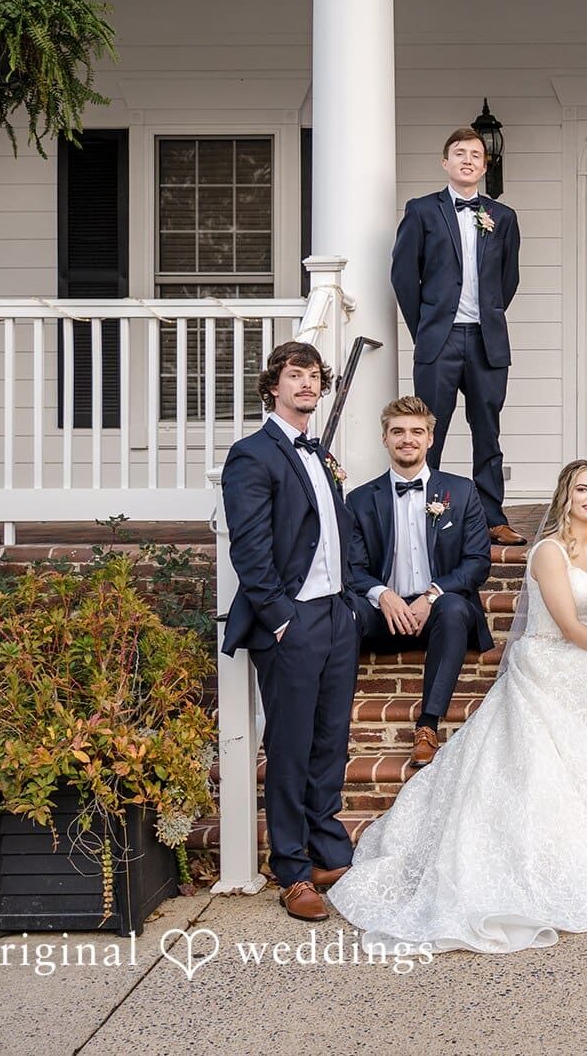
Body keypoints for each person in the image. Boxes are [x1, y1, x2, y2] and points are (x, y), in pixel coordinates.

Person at [328, 461, 587, 954]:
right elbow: (571, 628)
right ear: (565, 498)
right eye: (581, 489)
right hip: (553, 656)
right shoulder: (549, 552)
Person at [220, 341, 367, 923]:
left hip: (336, 615)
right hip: (292, 621)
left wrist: (349, 602)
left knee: (331, 739)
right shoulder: (252, 455)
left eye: (314, 376)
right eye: (295, 374)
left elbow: (336, 533)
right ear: (273, 386)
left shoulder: (321, 453)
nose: (307, 384)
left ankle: (328, 852)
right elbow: (249, 548)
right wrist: (280, 617)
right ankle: (291, 869)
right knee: (289, 746)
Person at [391, 125, 526, 546]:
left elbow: (508, 280)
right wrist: (427, 328)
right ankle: (421, 513)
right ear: (445, 162)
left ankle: (492, 518)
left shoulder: (503, 217)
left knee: (488, 431)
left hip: (487, 341)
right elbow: (403, 277)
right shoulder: (422, 211)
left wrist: (487, 315)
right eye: (460, 153)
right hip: (440, 340)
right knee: (429, 430)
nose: (468, 160)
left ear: (485, 167)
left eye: (476, 155)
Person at [345, 395, 494, 767]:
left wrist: (432, 595)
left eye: (416, 431)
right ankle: (336, 726)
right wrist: (383, 595)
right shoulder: (360, 500)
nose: (407, 439)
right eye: (397, 432)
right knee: (343, 613)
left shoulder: (461, 492)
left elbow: (478, 562)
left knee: (455, 606)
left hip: (438, 611)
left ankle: (427, 726)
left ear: (430, 438)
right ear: (384, 438)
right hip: (385, 615)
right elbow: (352, 569)